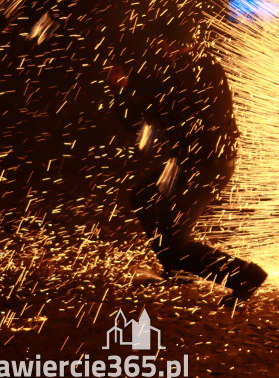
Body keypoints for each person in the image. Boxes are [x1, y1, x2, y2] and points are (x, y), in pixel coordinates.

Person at [107, 17, 266, 306]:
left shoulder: (198, 69)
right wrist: (123, 88)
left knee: (174, 245)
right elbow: (144, 117)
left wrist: (129, 84)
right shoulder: (185, 67)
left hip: (206, 166)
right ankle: (178, 269)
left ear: (169, 43)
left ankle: (244, 275)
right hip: (185, 164)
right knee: (143, 196)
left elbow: (165, 98)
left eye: (161, 43)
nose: (159, 49)